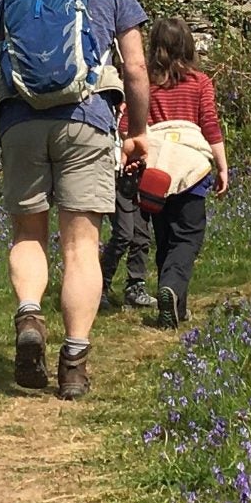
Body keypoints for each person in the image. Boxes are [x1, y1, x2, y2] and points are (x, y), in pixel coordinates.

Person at [0, 0, 151, 398]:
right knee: (80, 245)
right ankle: (73, 363)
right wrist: (139, 131)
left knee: (28, 234)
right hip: (86, 119)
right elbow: (134, 65)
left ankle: (29, 317)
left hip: (19, 121)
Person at [138, 15, 229, 328]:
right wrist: (222, 166)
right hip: (190, 172)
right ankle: (172, 291)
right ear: (188, 45)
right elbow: (210, 125)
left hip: (157, 175)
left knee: (164, 238)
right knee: (188, 238)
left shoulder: (145, 84)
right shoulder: (199, 82)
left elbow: (129, 124)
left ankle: (176, 306)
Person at [95, 54, 156, 311]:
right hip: (113, 175)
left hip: (136, 174)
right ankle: (99, 286)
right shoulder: (105, 104)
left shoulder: (140, 104)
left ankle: (135, 285)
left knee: (141, 234)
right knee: (123, 233)